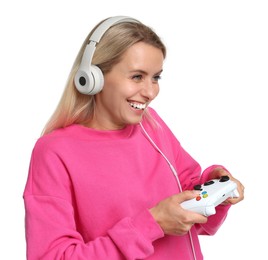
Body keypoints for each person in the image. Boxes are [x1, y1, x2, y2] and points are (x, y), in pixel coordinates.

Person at [23, 16, 244, 259]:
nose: (150, 92)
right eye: (137, 76)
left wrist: (214, 189)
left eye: (156, 77)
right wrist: (152, 224)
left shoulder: (153, 126)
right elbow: (53, 256)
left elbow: (189, 204)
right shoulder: (55, 151)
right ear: (92, 78)